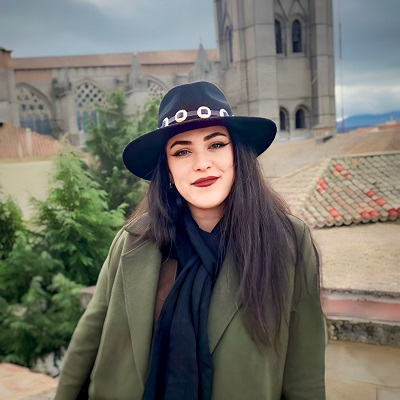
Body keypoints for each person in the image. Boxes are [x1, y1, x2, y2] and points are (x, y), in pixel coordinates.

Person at [55, 81, 326, 400]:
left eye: (216, 144)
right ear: (168, 170)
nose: (201, 163)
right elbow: (90, 335)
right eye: (182, 151)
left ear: (237, 154)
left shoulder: (288, 241)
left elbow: (305, 373)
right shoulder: (133, 241)